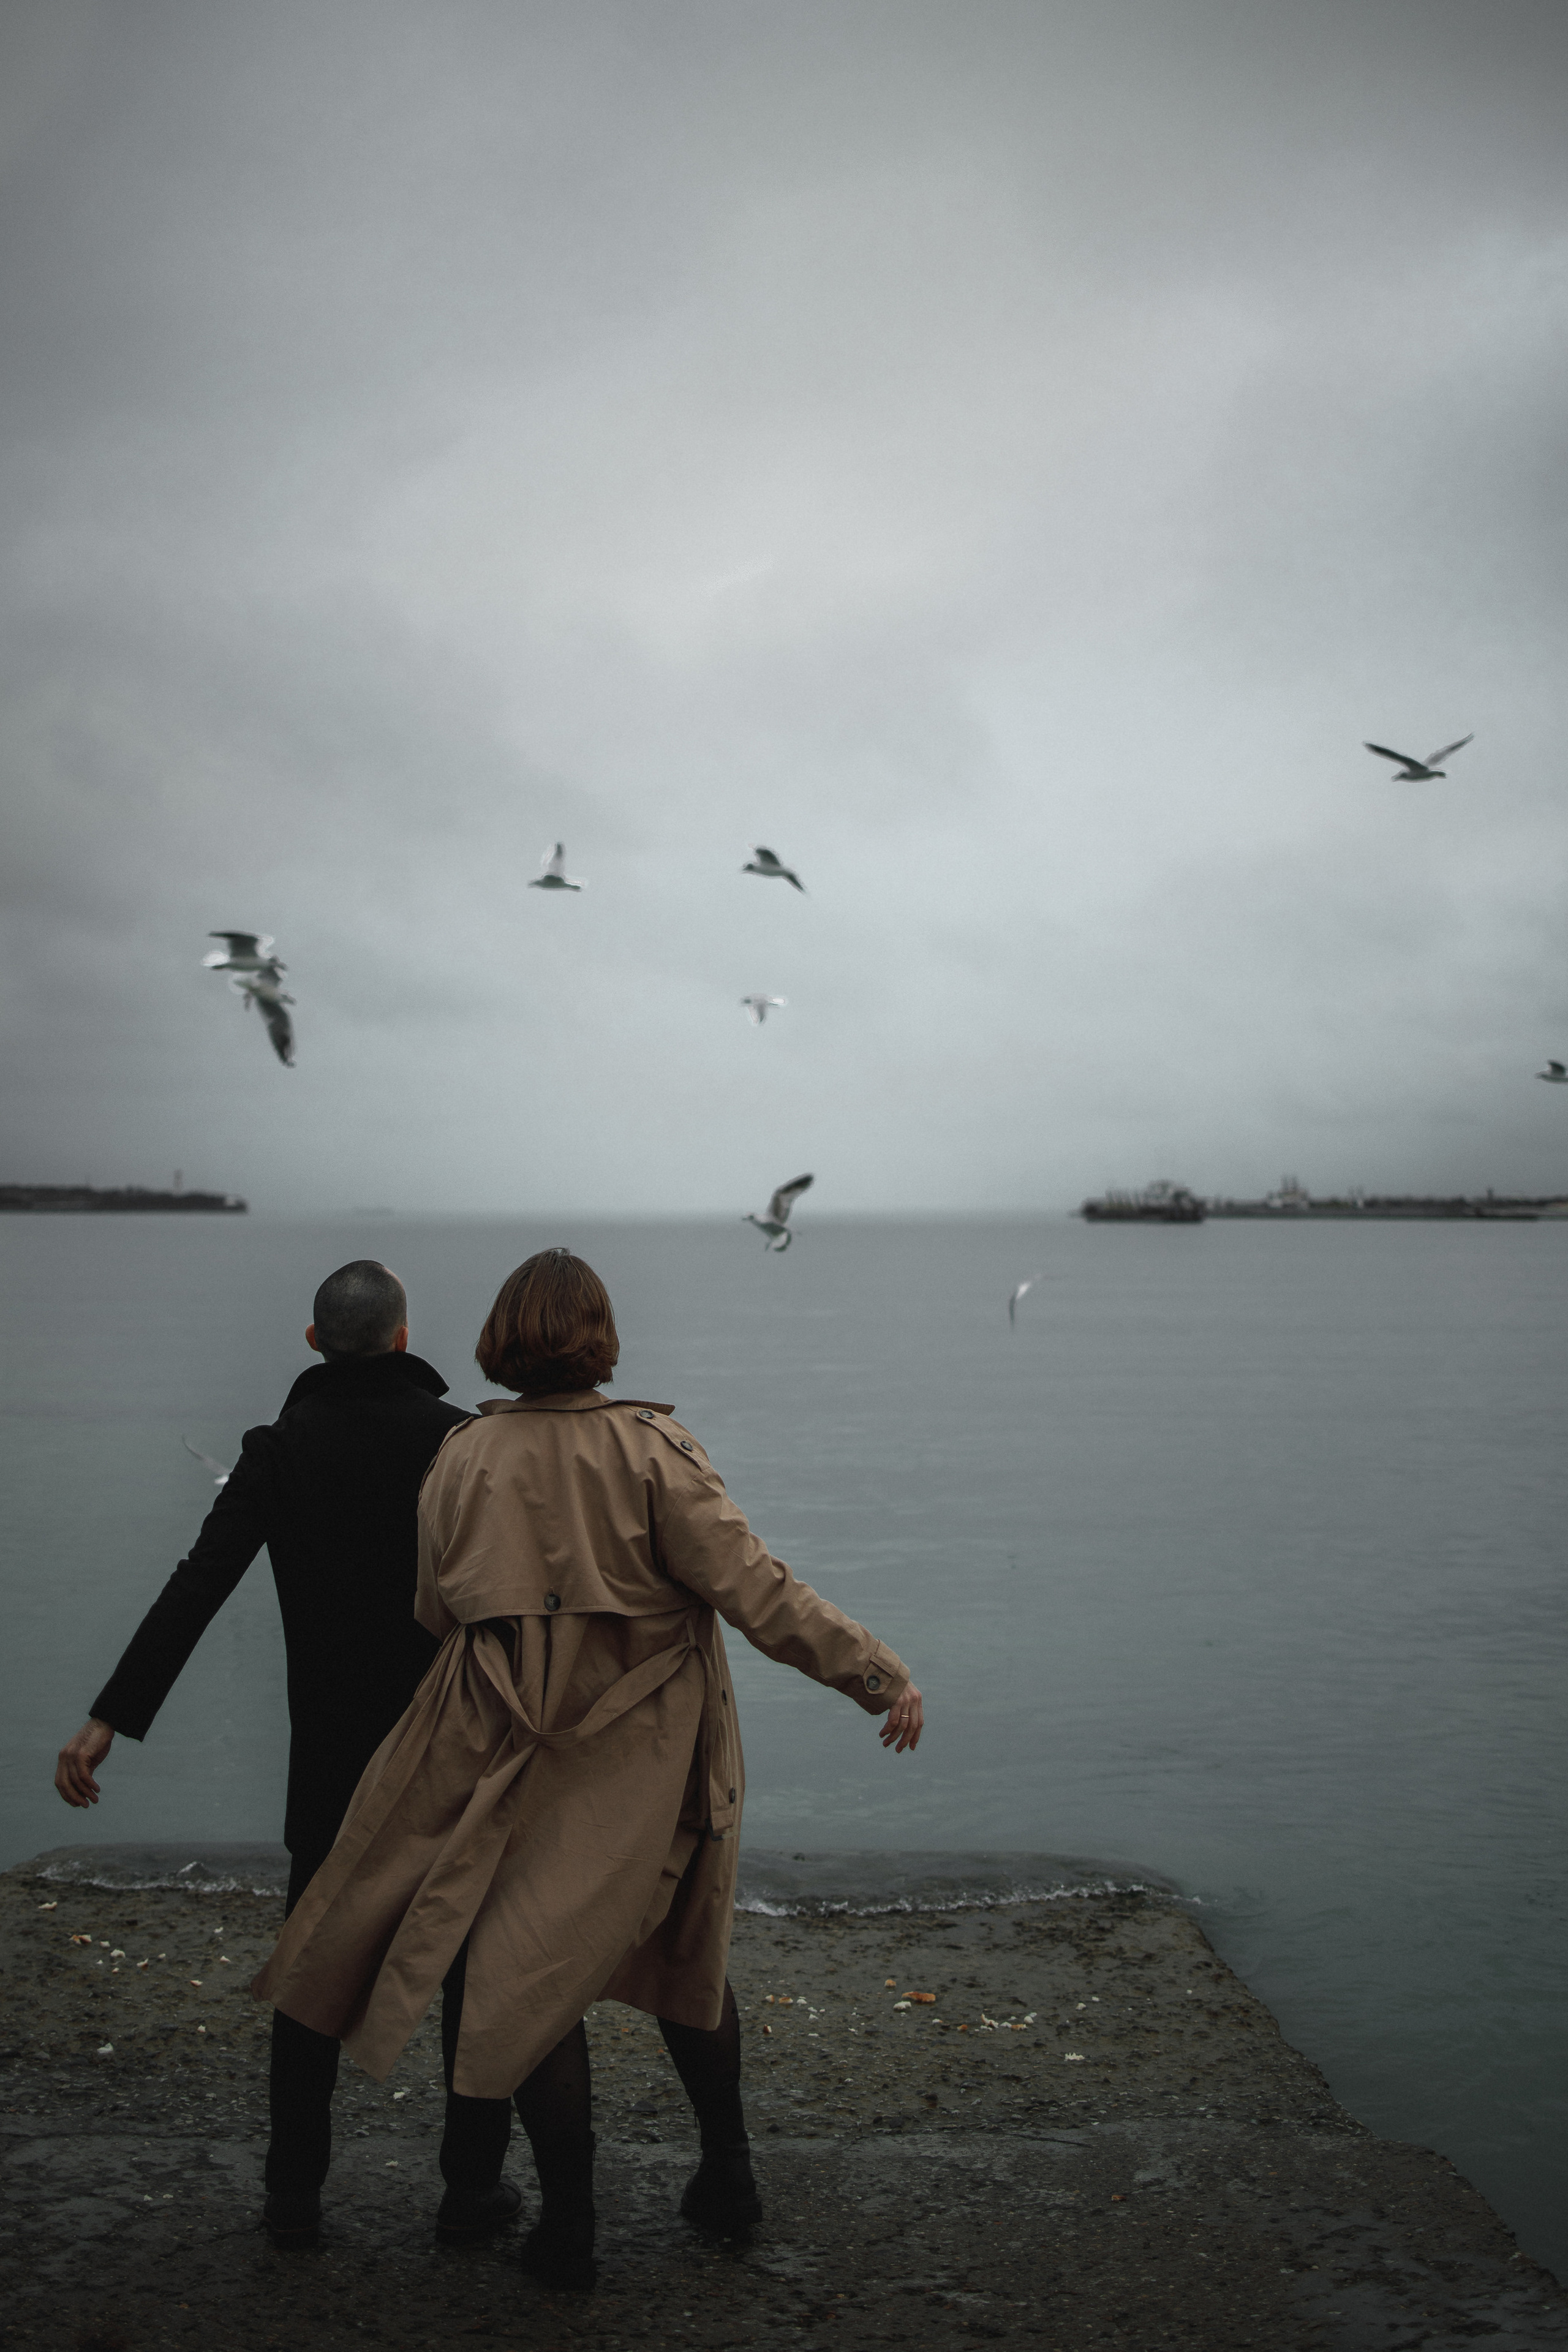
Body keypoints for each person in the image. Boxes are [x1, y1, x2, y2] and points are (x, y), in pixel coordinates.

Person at [253, 1247, 924, 2291]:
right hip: (652, 1760)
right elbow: (760, 1596)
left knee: (530, 1979)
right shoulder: (656, 1452)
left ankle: (569, 2226)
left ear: (500, 1341)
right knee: (685, 1956)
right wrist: (878, 1676)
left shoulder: (463, 1459)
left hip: (510, 1755)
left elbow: (435, 1606)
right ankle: (729, 2178)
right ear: (601, 1337)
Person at [52, 1259, 520, 2250]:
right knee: (469, 1961)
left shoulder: (279, 1448)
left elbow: (199, 1584)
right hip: (453, 1749)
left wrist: (109, 1718)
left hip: (333, 1762)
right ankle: (471, 2190)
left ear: (314, 1344)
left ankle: (293, 2195)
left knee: (312, 1966)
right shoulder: (463, 1443)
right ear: (403, 1337)